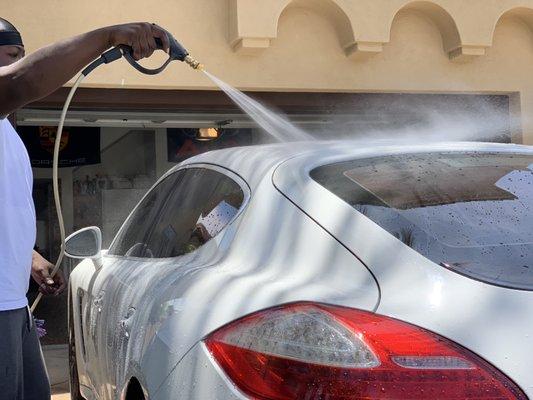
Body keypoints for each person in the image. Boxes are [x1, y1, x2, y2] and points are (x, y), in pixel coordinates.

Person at [0, 18, 170, 399]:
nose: (18, 62)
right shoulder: (9, 94)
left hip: (15, 306)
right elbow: (20, 82)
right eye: (11, 54)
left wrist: (30, 259)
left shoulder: (7, 132)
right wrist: (107, 37)